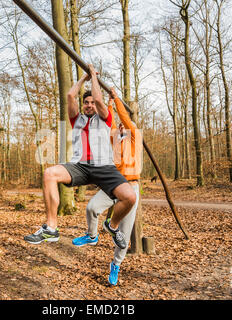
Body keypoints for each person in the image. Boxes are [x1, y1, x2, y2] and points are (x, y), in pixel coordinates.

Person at [24, 65, 137, 250]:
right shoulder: (76, 119)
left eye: (92, 102)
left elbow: (100, 99)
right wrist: (84, 77)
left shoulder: (105, 118)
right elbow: (70, 96)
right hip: (80, 166)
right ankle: (51, 227)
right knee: (49, 174)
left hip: (104, 167)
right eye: (86, 102)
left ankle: (112, 225)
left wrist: (93, 76)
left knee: (130, 197)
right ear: (83, 105)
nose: (90, 105)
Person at [72, 87, 142, 286]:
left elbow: (125, 119)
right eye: (120, 125)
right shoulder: (113, 138)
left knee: (124, 234)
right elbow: (108, 118)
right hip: (114, 183)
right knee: (92, 208)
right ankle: (92, 235)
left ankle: (115, 265)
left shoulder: (134, 136)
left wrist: (116, 98)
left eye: (125, 125)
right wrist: (108, 104)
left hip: (131, 186)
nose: (122, 126)